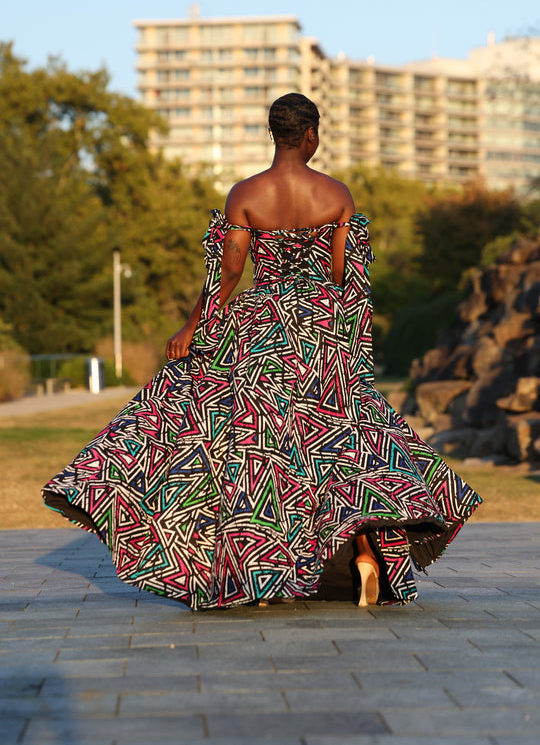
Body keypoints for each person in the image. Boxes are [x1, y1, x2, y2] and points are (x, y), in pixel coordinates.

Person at [42, 93, 482, 609]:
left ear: (273, 134)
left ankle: (260, 572)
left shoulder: (246, 194)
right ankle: (367, 553)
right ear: (311, 135)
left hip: (264, 331)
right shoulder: (336, 194)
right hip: (322, 332)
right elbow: (343, 275)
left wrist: (191, 326)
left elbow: (228, 274)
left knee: (259, 454)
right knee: (341, 446)